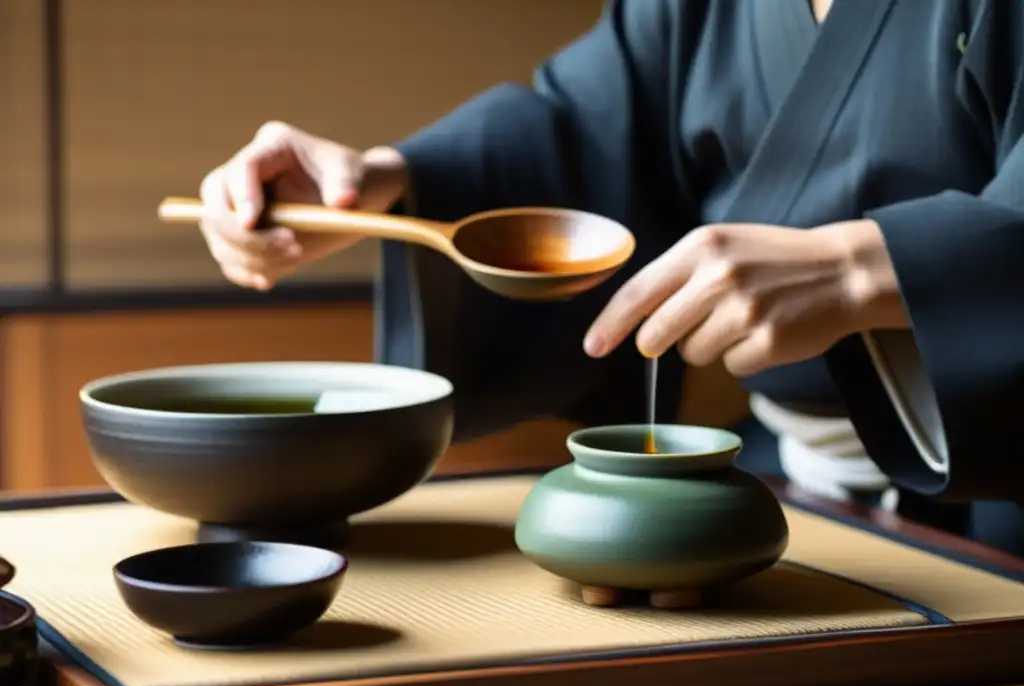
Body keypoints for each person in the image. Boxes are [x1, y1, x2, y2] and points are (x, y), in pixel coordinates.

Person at [195, 0, 1024, 554]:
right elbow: (586, 134)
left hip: (998, 509)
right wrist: (387, 182)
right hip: (793, 501)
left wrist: (867, 269)